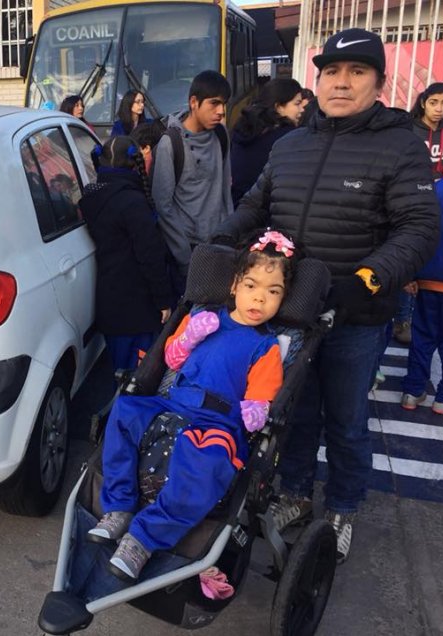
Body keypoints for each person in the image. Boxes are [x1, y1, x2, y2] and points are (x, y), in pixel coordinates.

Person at [212, 28, 440, 563]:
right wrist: (225, 237)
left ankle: (342, 506)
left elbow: (419, 227)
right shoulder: (289, 144)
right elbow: (255, 205)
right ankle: (294, 494)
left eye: (357, 72)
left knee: (344, 418)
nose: (342, 82)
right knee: (292, 410)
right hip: (290, 307)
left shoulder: (399, 145)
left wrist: (373, 274)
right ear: (317, 81)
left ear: (378, 83)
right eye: (332, 72)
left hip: (356, 314)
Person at [88, 232, 294, 581]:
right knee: (125, 411)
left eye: (273, 292)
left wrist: (256, 411)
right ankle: (119, 507)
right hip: (175, 401)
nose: (260, 297)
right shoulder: (205, 317)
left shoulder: (267, 346)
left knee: (207, 460)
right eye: (251, 285)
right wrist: (190, 336)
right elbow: (171, 357)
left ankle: (143, 538)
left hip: (219, 420)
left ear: (282, 298)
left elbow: (261, 393)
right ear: (234, 286)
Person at [78, 136, 174, 372]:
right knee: (139, 376)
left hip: (110, 304)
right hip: (137, 307)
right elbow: (150, 256)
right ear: (134, 164)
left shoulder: (90, 196)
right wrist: (163, 299)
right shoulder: (133, 202)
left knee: (118, 372)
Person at [151, 70, 233, 295]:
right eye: (214, 103)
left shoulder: (221, 135)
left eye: (224, 104)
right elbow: (163, 205)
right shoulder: (171, 144)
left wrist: (230, 235)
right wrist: (185, 258)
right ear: (194, 102)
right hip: (188, 252)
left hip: (220, 246)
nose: (220, 112)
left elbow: (226, 186)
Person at [400, 137, 443, 417]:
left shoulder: (435, 189)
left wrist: (410, 272)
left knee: (423, 336)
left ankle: (413, 391)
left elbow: (416, 232)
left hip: (427, 278)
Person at [230, 78, 304, 206]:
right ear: (278, 107)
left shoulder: (242, 128)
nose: (301, 109)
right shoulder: (288, 138)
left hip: (237, 208)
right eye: (297, 104)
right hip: (266, 213)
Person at [410, 82, 443, 178]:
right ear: (423, 103)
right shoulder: (410, 129)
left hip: (441, 189)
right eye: (433, 103)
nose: (439, 109)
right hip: (414, 187)